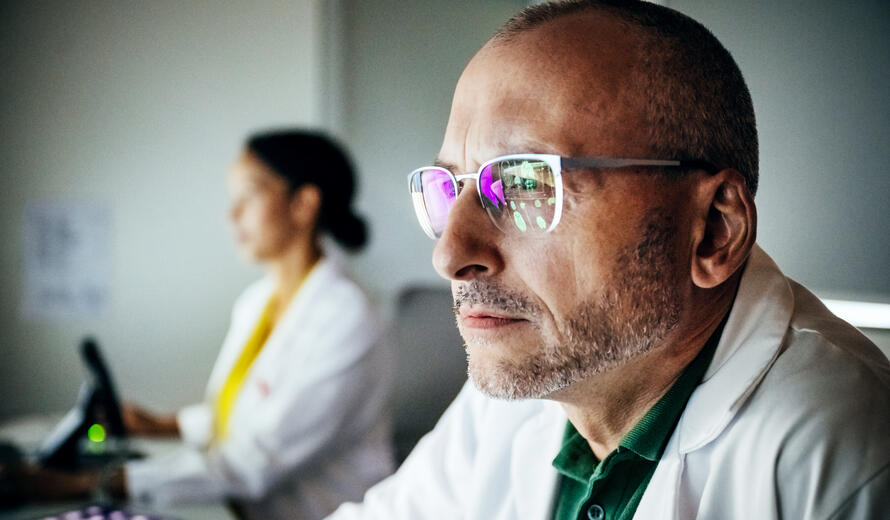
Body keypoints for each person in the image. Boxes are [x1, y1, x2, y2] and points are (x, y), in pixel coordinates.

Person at [328, 1, 890, 519]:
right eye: (450, 188)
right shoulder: (526, 383)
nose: (449, 255)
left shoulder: (847, 463)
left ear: (714, 231)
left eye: (527, 184)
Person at [17, 130, 395, 519]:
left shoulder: (348, 318)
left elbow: (254, 462)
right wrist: (161, 424)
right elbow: (244, 415)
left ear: (303, 204)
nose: (231, 215)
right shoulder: (256, 302)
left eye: (248, 196)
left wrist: (85, 483)